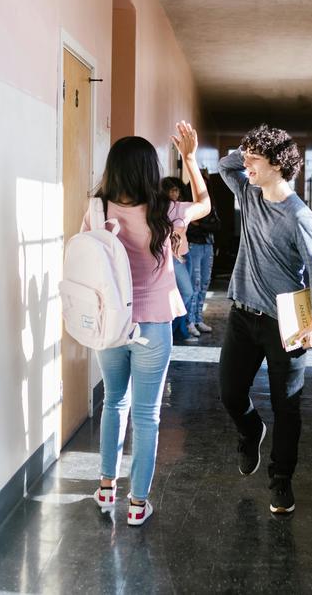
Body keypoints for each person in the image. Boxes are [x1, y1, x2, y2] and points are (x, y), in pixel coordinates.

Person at [89, 123, 210, 526]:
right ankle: (138, 504)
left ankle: (107, 487)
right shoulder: (166, 212)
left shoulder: (96, 210)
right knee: (146, 414)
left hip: (111, 324)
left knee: (113, 402)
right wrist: (190, 159)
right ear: (149, 170)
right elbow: (206, 204)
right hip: (153, 326)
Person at [218, 124, 312, 515]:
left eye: (255, 158)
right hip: (242, 315)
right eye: (247, 157)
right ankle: (251, 431)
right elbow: (224, 165)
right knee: (230, 394)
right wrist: (249, 147)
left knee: (288, 407)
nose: (246, 163)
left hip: (286, 324)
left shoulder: (300, 217)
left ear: (278, 164)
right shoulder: (249, 195)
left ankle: (281, 481)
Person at [160, 176, 196, 342]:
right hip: (173, 256)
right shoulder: (160, 209)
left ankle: (179, 330)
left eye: (177, 190)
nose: (175, 193)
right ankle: (172, 328)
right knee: (186, 292)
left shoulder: (182, 207)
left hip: (185, 252)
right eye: (172, 190)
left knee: (184, 292)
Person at [186, 168, 220, 335]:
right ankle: (190, 321)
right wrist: (203, 226)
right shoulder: (187, 202)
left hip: (208, 245)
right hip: (193, 246)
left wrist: (201, 225)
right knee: (195, 284)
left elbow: (217, 225)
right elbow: (187, 228)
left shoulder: (210, 202)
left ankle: (198, 319)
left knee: (205, 283)